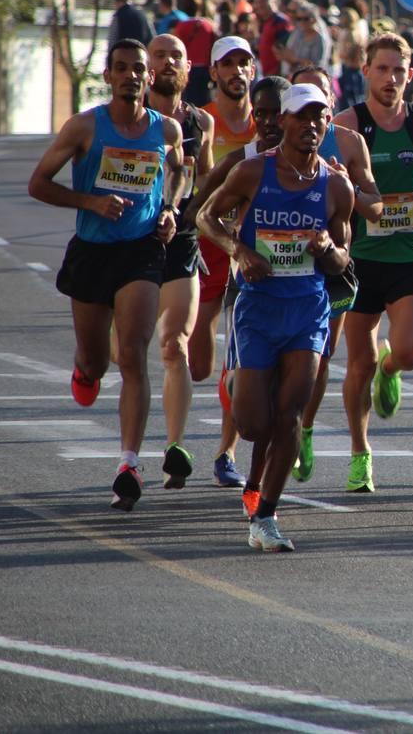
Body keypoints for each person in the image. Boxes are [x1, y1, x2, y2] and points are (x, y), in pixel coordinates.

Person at [26, 38, 186, 511]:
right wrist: (90, 201)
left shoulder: (167, 129)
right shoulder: (83, 127)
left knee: (133, 354)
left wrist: (170, 209)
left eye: (139, 69)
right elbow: (38, 183)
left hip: (140, 253)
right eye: (122, 69)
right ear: (109, 76)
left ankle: (128, 463)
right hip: (92, 252)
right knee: (97, 362)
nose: (132, 76)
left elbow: (179, 172)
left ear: (149, 77)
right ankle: (84, 367)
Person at [197, 82, 354, 551]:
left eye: (319, 117)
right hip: (258, 309)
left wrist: (328, 248)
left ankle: (265, 516)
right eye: (301, 116)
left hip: (307, 309)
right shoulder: (252, 172)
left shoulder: (336, 185)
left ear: (328, 124)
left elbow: (345, 260)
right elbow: (206, 215)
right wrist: (238, 249)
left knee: (290, 413)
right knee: (251, 425)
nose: (310, 125)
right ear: (282, 121)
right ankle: (236, 383)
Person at [332, 33, 413, 493]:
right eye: (382, 69)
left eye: (399, 71)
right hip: (360, 259)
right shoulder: (345, 125)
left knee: (408, 353)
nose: (391, 78)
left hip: (408, 255)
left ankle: (390, 368)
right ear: (365, 72)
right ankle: (361, 454)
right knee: (355, 365)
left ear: (411, 74)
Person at [288, 65, 382, 494]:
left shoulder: (349, 141)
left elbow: (375, 208)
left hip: (332, 264)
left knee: (320, 356)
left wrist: (346, 184)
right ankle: (281, 427)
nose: (315, 115)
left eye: (323, 101)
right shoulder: (279, 142)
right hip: (280, 265)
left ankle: (304, 429)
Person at [142, 33, 215, 488]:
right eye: (160, 55)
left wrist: (186, 211)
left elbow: (204, 179)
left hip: (181, 241)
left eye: (177, 57)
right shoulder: (130, 119)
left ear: (189, 69)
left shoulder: (200, 121)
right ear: (145, 67)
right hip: (129, 242)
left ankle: (174, 446)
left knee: (174, 346)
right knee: (121, 352)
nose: (169, 62)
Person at [193, 35, 260, 487]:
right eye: (227, 65)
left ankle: (225, 453)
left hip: (249, 246)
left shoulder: (268, 122)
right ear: (213, 73)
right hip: (207, 237)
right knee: (197, 361)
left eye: (244, 63)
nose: (237, 72)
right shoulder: (204, 122)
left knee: (236, 353)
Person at [172, 0, 217, 107]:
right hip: (204, 70)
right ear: (199, 8)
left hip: (187, 69)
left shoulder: (181, 26)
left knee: (188, 103)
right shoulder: (208, 25)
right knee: (204, 102)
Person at [276, 1, 332, 79]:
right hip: (291, 77)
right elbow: (286, 54)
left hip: (311, 80)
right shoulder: (297, 33)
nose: (301, 22)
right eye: (299, 19)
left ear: (314, 20)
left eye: (306, 19)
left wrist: (295, 59)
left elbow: (316, 67)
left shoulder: (319, 39)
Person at [252, 0, 292, 77]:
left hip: (277, 74)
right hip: (265, 73)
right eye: (257, 2)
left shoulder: (280, 21)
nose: (259, 5)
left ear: (274, 2)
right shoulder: (263, 22)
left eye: (263, 1)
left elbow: (283, 49)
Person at [336, 7, 368, 108]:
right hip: (352, 70)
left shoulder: (350, 34)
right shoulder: (356, 32)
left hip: (350, 70)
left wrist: (339, 54)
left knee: (350, 102)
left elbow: (348, 53)